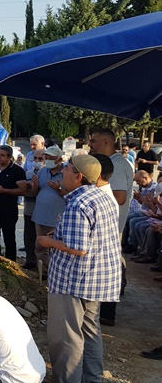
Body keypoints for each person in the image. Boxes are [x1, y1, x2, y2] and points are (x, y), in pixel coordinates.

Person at [37, 154, 121, 382]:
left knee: (67, 338)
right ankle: (91, 378)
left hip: (73, 281)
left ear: (78, 176)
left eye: (67, 168)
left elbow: (79, 248)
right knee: (90, 332)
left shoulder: (78, 203)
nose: (62, 170)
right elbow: (94, 236)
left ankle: (68, 378)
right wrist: (61, 235)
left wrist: (49, 242)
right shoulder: (101, 196)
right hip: (95, 280)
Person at [89, 128, 133, 327]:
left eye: (94, 141)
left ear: (106, 142)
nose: (90, 145)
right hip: (109, 226)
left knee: (108, 270)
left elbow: (120, 197)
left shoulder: (116, 164)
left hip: (111, 227)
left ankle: (107, 313)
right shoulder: (113, 163)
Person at [0, 145, 27, 261]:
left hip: (8, 210)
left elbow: (23, 190)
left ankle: (10, 262)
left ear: (10, 157)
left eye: (2, 155)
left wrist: (4, 190)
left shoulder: (17, 171)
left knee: (9, 237)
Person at [30, 145, 67, 273]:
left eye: (52, 158)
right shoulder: (42, 171)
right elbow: (35, 193)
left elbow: (70, 195)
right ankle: (43, 273)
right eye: (47, 157)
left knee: (55, 247)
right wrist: (34, 186)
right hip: (40, 215)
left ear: (59, 159)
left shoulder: (66, 173)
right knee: (39, 245)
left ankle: (56, 273)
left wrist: (59, 189)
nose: (48, 159)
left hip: (56, 217)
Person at [22, 149, 45, 270]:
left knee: (40, 238)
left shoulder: (46, 172)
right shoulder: (29, 173)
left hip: (42, 211)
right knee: (29, 236)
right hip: (29, 208)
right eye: (35, 159)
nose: (36, 161)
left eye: (40, 159)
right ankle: (30, 260)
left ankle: (41, 265)